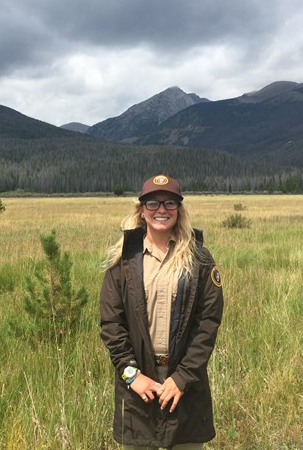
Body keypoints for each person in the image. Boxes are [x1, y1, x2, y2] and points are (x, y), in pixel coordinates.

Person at [100, 174, 224, 449]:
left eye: (169, 203)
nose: (161, 210)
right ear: (141, 210)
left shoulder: (199, 259)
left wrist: (181, 379)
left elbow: (208, 323)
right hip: (139, 387)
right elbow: (111, 324)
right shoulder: (123, 261)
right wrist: (132, 376)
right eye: (153, 203)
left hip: (185, 385)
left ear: (179, 210)